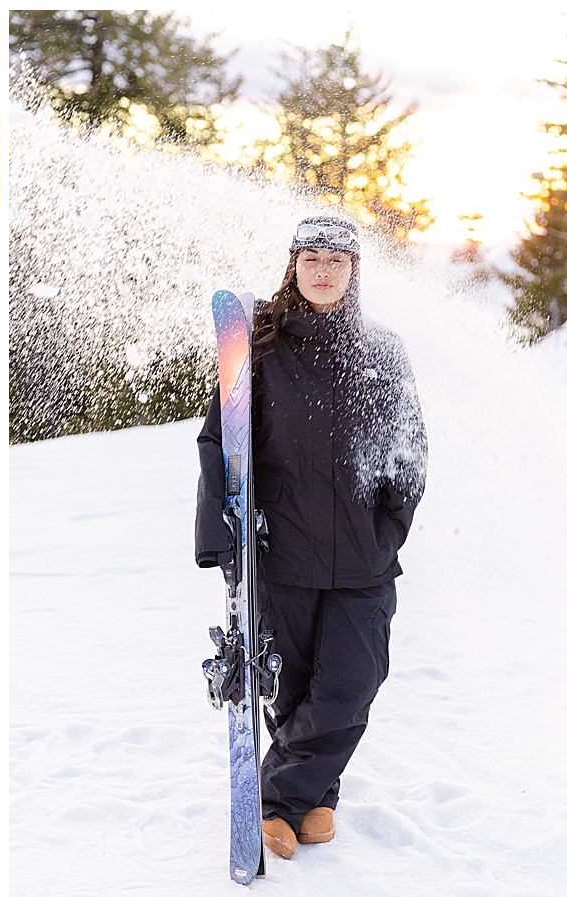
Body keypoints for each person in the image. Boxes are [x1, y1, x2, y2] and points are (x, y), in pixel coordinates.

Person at [194, 215, 428, 860]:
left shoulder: (382, 349)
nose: (324, 271)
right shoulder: (259, 347)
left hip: (363, 554)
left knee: (353, 681)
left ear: (355, 272)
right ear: (294, 266)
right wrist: (222, 540)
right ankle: (318, 798)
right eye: (312, 259)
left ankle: (281, 801)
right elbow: (221, 443)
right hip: (282, 550)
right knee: (292, 685)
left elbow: (410, 450)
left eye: (337, 261)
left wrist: (388, 530)